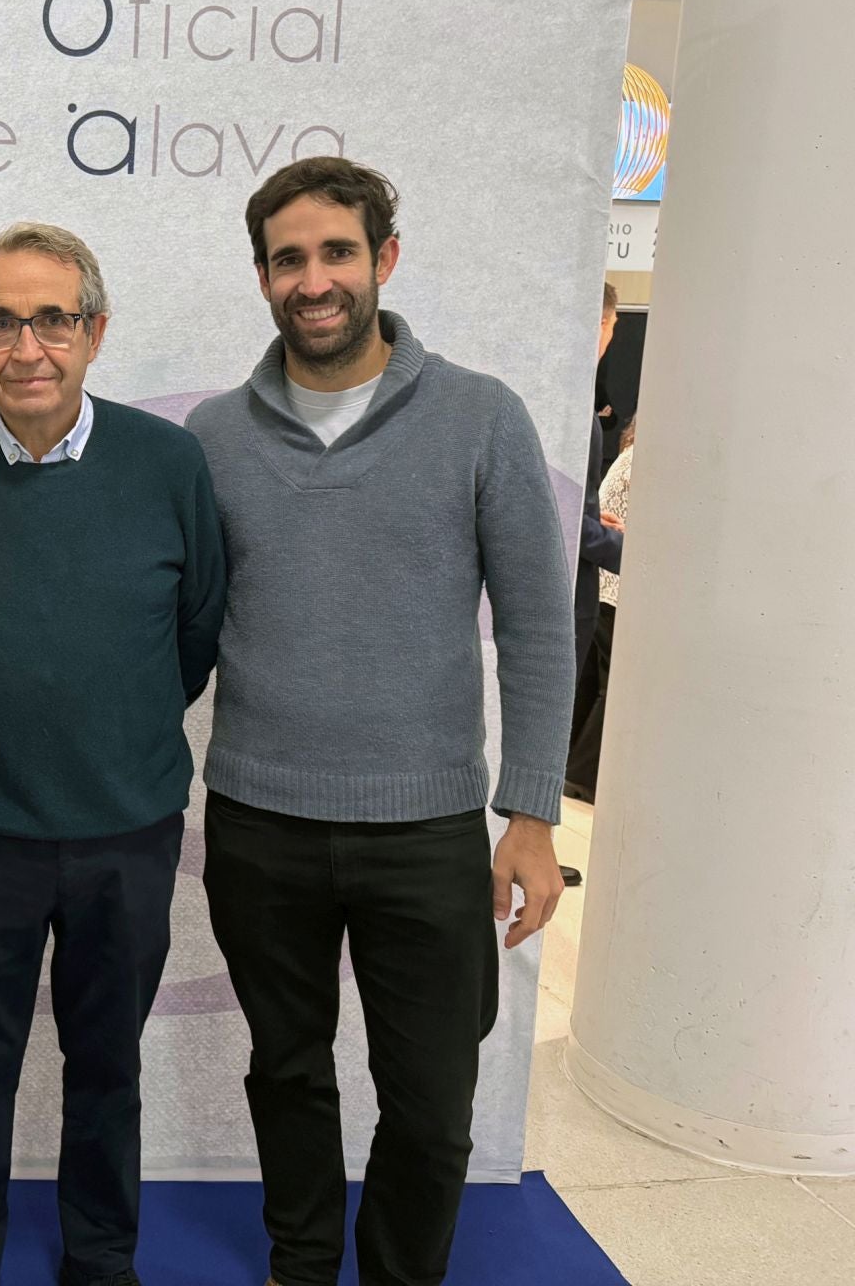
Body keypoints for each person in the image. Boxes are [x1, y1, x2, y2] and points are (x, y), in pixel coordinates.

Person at [185, 158, 575, 1286]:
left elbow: (542, 632)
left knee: (434, 1102)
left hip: (429, 829)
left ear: (383, 260)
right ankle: (301, 1266)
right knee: (287, 1070)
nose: (315, 280)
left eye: (337, 252)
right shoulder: (212, 437)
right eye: (290, 258)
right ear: (263, 277)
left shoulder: (479, 416)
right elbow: (180, 624)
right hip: (259, 819)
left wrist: (533, 814)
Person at [0, 223, 227, 1286]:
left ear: (94, 330)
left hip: (124, 833)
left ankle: (100, 1257)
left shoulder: (169, 463)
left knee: (108, 1069)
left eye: (53, 318)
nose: (27, 344)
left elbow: (195, 634)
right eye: (1, 321)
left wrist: (106, 725)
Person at [565, 283, 626, 805]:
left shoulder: (561, 402)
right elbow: (570, 526)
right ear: (604, 325)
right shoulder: (576, 414)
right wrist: (635, 553)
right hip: (570, 595)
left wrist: (593, 519)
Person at [565, 416, 636, 796]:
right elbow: (567, 515)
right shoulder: (576, 416)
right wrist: (635, 554)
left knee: (590, 687)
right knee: (607, 688)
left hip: (595, 587)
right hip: (603, 588)